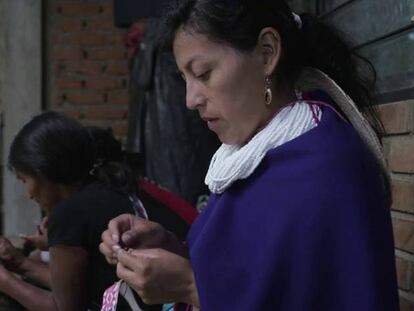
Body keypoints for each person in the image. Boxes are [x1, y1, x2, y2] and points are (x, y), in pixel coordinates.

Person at [99, 0, 399, 310]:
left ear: (267, 52)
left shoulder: (327, 167)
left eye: (203, 74)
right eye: (184, 79)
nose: (190, 100)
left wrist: (191, 286)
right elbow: (254, 273)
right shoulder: (255, 154)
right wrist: (171, 249)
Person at [0, 112, 146, 311]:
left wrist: (5, 281)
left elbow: (63, 307)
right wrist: (19, 263)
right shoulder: (106, 188)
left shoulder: (69, 214)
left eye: (25, 180)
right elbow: (71, 286)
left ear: (42, 172)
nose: (28, 194)